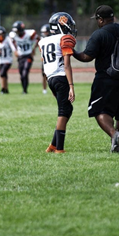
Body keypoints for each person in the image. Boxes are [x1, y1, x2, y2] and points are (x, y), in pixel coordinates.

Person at [71, 5, 119, 153]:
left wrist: (72, 51)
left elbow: (87, 57)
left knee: (99, 110)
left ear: (100, 20)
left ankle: (114, 134)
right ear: (112, 18)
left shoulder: (99, 34)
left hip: (106, 79)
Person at [39, 13, 78, 154]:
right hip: (61, 77)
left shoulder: (43, 41)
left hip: (50, 78)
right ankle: (59, 149)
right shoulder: (64, 38)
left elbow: (45, 67)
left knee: (67, 109)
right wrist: (71, 86)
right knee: (63, 111)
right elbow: (66, 65)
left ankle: (53, 146)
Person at [9, 21, 38, 94]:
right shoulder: (13, 35)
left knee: (25, 73)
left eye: (18, 30)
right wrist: (15, 50)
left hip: (28, 55)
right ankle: (24, 90)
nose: (17, 32)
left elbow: (38, 39)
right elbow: (11, 42)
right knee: (22, 75)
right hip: (20, 56)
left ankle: (25, 90)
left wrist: (34, 49)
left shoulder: (29, 34)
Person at [0, 25, 17, 94]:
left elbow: (13, 48)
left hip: (8, 60)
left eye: (1, 34)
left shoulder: (8, 40)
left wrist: (16, 53)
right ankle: (6, 89)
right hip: (1, 61)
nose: (0, 35)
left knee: (2, 74)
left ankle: (2, 89)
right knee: (4, 75)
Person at [39, 23, 51, 94]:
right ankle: (44, 89)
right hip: (44, 60)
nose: (44, 34)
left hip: (52, 60)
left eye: (45, 32)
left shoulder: (52, 38)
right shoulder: (41, 39)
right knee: (44, 74)